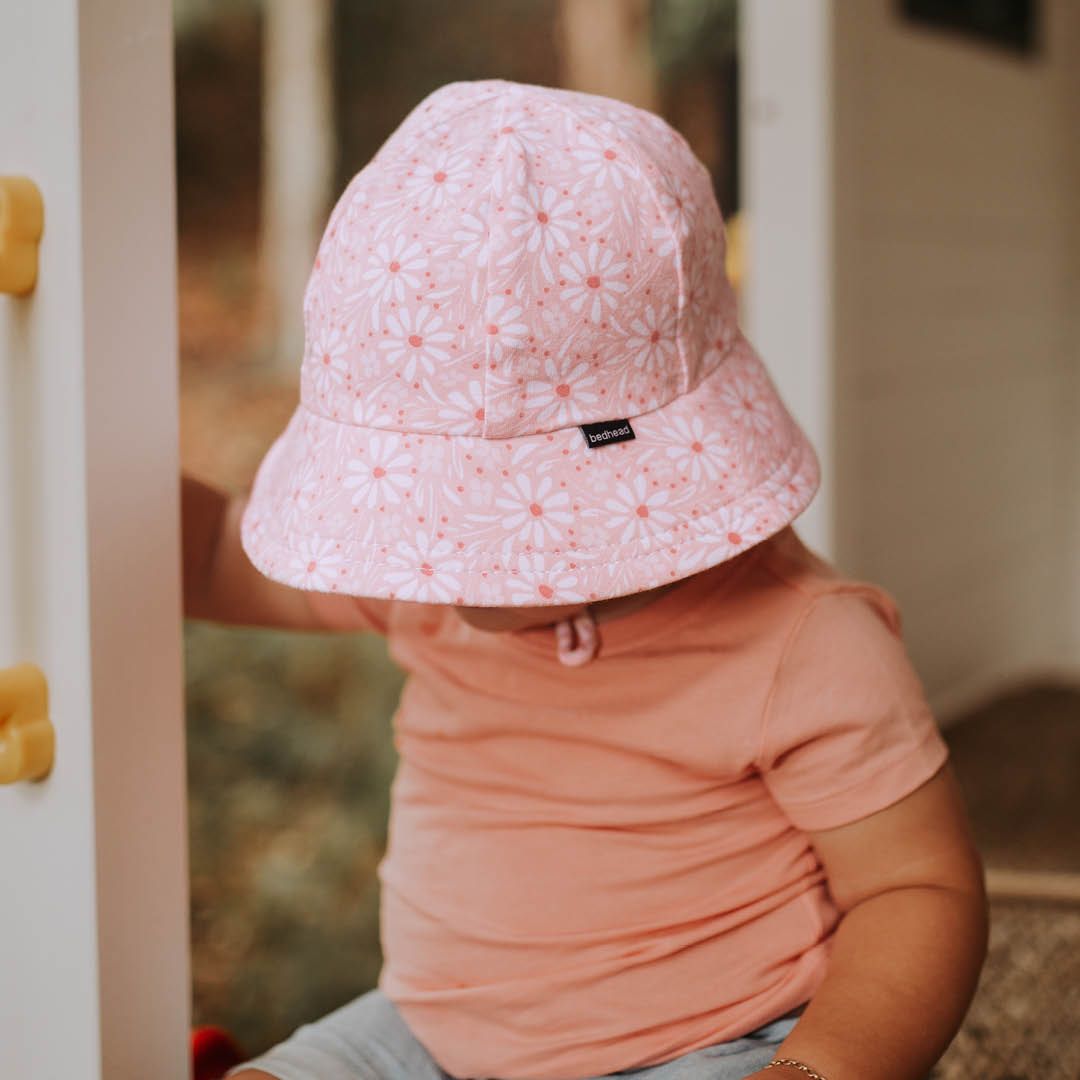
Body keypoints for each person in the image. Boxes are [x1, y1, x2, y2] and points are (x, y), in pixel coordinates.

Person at [182, 79, 988, 1080]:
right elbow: (215, 554)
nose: (436, 540)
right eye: (422, 501)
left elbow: (918, 891)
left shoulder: (806, 643)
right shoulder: (427, 571)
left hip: (707, 1045)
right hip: (420, 1033)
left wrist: (825, 1067)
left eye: (476, 504)